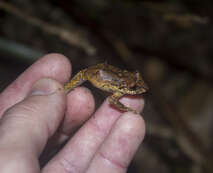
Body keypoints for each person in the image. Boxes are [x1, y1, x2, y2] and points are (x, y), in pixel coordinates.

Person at [0, 53, 145, 173]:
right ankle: (58, 94)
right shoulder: (119, 92)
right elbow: (113, 102)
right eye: (133, 87)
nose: (139, 88)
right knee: (64, 92)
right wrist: (126, 109)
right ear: (127, 87)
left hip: (97, 71)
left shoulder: (121, 88)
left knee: (73, 97)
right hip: (90, 73)